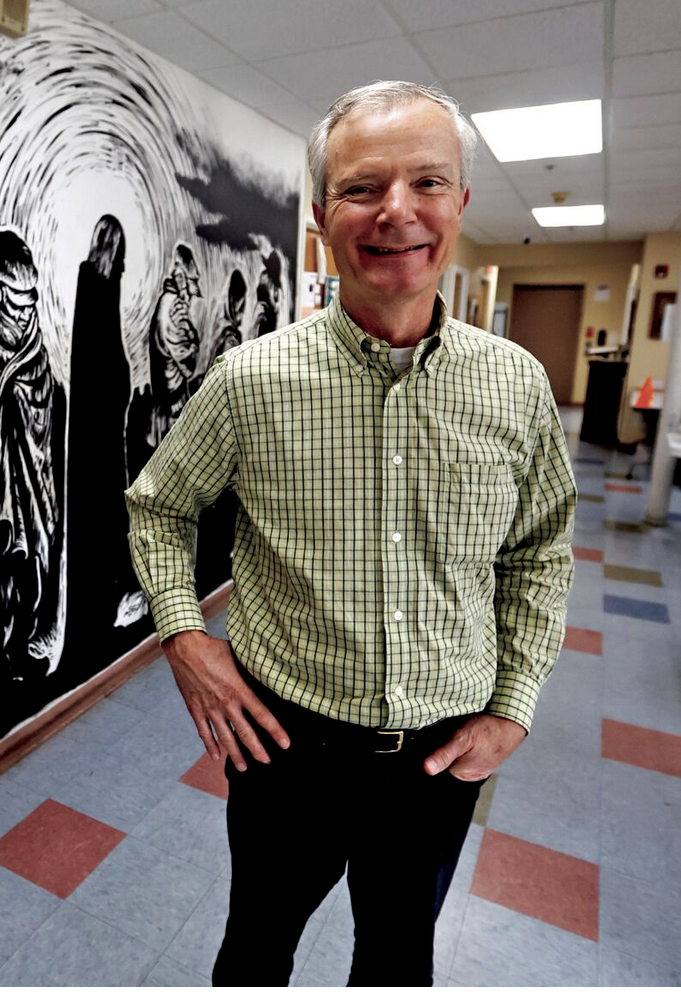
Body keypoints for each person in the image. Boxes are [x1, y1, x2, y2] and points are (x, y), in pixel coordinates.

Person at [125, 81, 577, 986]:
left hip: (442, 756)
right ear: (322, 215)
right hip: (283, 748)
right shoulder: (250, 381)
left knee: (398, 961)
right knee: (255, 950)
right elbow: (159, 507)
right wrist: (184, 637)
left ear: (460, 201)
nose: (395, 211)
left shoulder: (517, 385)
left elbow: (539, 549)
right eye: (362, 187)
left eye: (426, 182)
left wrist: (514, 702)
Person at [0, 228, 66, 703]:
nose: (25, 314)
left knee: (32, 564)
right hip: (5, 483)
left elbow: (45, 400)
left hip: (33, 481)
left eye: (30, 303)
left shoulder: (33, 346)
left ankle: (18, 649)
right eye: (14, 303)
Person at [146, 242, 201, 448]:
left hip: (167, 408)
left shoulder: (166, 302)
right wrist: (194, 344)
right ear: (181, 279)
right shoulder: (175, 307)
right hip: (172, 411)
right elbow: (188, 365)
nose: (194, 291)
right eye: (193, 281)